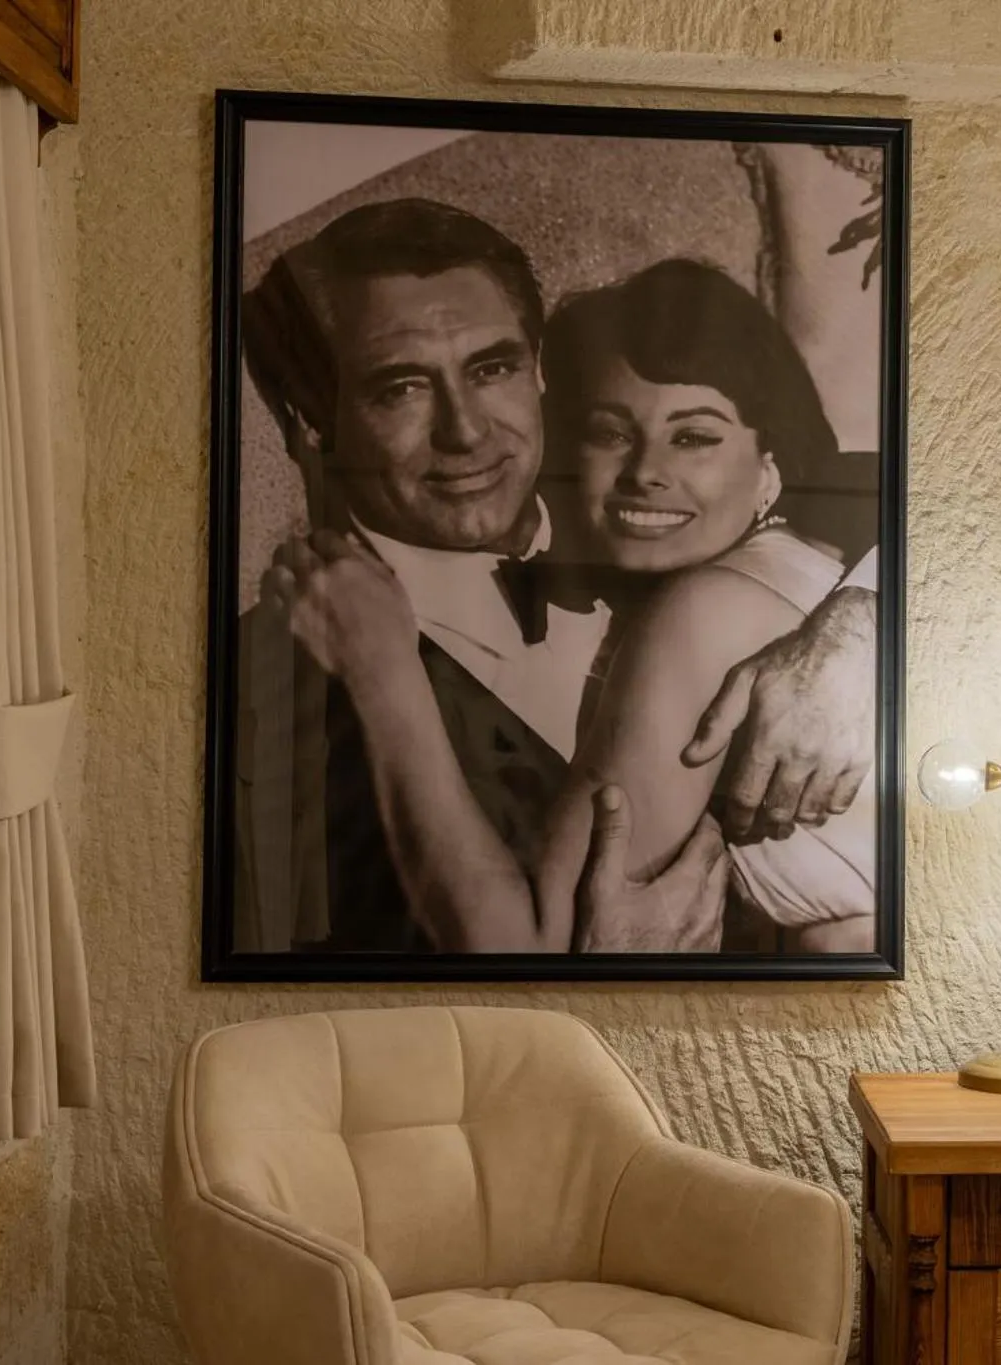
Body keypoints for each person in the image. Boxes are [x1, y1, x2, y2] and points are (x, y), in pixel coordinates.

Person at [236, 198, 876, 953]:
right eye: (401, 387)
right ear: (310, 420)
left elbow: (949, 502)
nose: (466, 431)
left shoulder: (672, 523)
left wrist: (861, 628)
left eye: (492, 368)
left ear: (537, 372)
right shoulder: (267, 681)